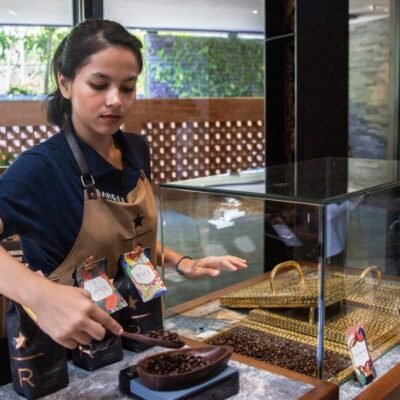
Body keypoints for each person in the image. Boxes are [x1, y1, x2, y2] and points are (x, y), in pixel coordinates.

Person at [0, 19, 247, 350]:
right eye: (99, 85)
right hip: (72, 352)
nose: (116, 100)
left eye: (127, 87)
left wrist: (181, 262)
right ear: (65, 83)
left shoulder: (135, 149)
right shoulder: (40, 168)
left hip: (139, 332)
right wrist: (39, 294)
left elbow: (124, 240)